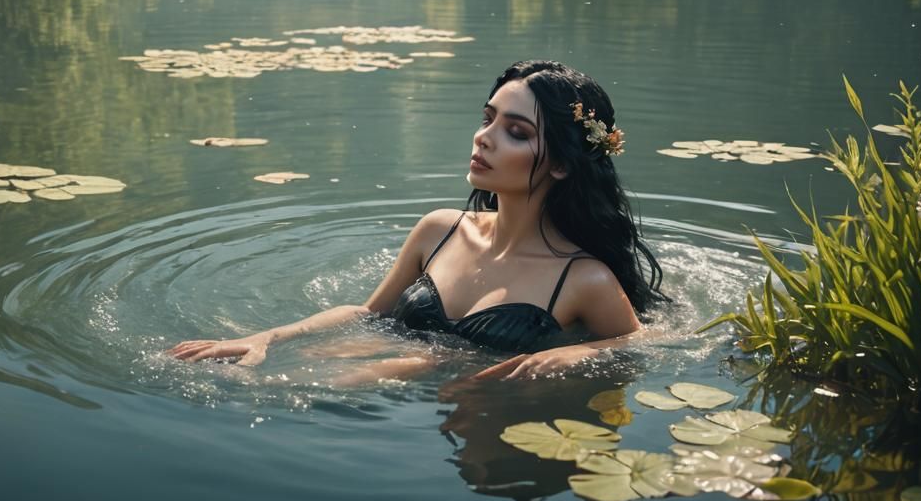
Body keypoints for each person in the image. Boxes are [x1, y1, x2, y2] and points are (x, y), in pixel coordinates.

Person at [170, 60, 666, 380]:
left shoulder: (583, 278)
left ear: (561, 163)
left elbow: (649, 345)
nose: (483, 137)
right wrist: (268, 337)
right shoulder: (439, 230)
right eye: (488, 117)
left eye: (515, 131)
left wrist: (579, 354)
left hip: (483, 413)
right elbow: (369, 314)